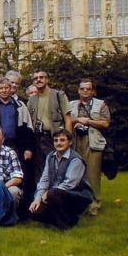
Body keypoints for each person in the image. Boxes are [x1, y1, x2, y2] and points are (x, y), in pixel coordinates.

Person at [0, 77, 35, 204]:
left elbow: (29, 128)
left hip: (17, 144)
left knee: (20, 174)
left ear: (11, 89)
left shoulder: (20, 106)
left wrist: (28, 148)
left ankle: (22, 206)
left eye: (6, 88)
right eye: (1, 88)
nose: (4, 90)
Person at [29, 129, 93, 230]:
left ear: (70, 142)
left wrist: (48, 194)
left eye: (62, 140)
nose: (59, 143)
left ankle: (65, 226)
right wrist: (37, 199)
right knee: (34, 212)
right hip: (56, 194)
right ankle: (68, 218)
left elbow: (70, 184)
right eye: (56, 140)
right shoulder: (50, 157)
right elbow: (44, 180)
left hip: (77, 196)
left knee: (53, 194)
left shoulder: (75, 159)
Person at [70, 78, 111, 216]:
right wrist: (76, 121)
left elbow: (105, 123)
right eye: (82, 88)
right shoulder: (71, 105)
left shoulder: (101, 104)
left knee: (93, 174)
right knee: (76, 173)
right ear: (78, 90)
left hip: (93, 142)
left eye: (88, 88)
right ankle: (78, 203)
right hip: (75, 140)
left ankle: (94, 204)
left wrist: (88, 122)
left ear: (93, 91)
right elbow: (66, 121)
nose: (85, 91)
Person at [26, 70, 72, 183]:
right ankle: (40, 197)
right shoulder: (31, 100)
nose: (39, 80)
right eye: (36, 78)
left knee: (57, 168)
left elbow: (68, 119)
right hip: (37, 139)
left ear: (47, 79)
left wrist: (68, 139)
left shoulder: (58, 95)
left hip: (54, 138)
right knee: (39, 169)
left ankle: (56, 195)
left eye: (41, 77)